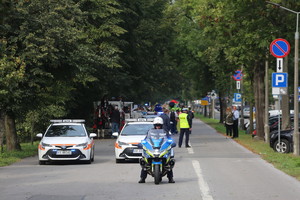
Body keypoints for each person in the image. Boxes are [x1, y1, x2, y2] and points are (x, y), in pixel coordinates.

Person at [139, 117, 175, 184]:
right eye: (156, 126)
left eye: (159, 126)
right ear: (154, 125)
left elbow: (169, 139)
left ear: (161, 125)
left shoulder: (165, 131)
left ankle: (171, 178)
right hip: (153, 148)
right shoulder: (150, 131)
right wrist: (142, 143)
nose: (158, 127)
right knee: (144, 162)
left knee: (169, 162)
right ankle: (142, 178)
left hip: (161, 148)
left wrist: (171, 143)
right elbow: (146, 139)